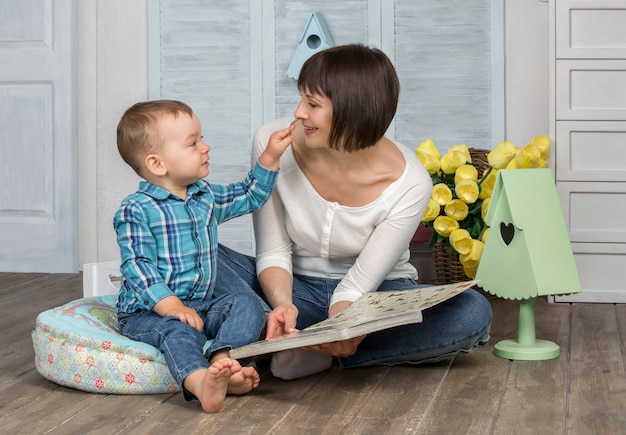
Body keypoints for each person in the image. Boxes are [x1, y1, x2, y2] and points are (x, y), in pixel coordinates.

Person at [216, 44, 493, 380]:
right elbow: (274, 251)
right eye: (302, 98)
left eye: (313, 104)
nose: (299, 112)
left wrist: (345, 327)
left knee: (471, 313)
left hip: (373, 296)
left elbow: (356, 286)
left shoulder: (411, 182)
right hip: (293, 288)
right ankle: (289, 333)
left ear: (353, 112)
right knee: (201, 252)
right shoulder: (272, 143)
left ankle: (306, 348)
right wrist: (282, 305)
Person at [113, 100, 293, 411]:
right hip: (150, 312)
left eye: (202, 138)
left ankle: (225, 361)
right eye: (193, 143)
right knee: (178, 331)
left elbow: (250, 195)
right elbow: (137, 267)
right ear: (157, 164)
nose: (206, 147)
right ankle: (199, 382)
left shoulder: (204, 196)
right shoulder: (135, 209)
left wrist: (270, 157)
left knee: (247, 303)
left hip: (201, 303)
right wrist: (172, 306)